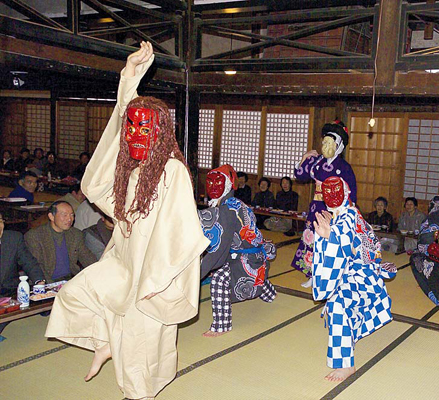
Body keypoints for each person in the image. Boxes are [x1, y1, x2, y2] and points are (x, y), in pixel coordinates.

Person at [45, 42, 208, 400]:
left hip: (153, 276)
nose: (133, 134)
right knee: (76, 294)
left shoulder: (172, 172)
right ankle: (104, 342)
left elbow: (183, 232)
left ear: (161, 134)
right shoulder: (130, 172)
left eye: (142, 128)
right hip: (122, 262)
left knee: (139, 349)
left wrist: (158, 278)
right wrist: (128, 81)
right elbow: (94, 184)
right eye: (129, 128)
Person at [312, 176, 396, 382]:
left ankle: (346, 365)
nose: (331, 195)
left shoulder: (349, 216)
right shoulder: (344, 214)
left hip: (363, 275)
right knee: (339, 306)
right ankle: (348, 342)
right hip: (352, 271)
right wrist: (329, 234)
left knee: (338, 305)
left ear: (345, 194)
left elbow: (349, 245)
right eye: (328, 191)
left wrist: (329, 236)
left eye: (335, 191)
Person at [199, 164, 277, 337]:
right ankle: (270, 293)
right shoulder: (234, 204)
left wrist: (199, 272)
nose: (213, 186)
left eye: (218, 181)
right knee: (253, 275)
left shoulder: (226, 209)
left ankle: (222, 325)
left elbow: (218, 248)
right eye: (209, 182)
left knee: (219, 278)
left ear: (228, 184)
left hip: (246, 261)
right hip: (255, 257)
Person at [293, 120, 357, 288]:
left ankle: (331, 276)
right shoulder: (317, 161)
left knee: (330, 242)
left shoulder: (344, 167)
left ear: (339, 146)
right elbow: (301, 175)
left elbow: (352, 191)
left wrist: (348, 211)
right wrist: (305, 158)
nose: (326, 145)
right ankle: (312, 274)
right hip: (316, 207)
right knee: (312, 238)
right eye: (325, 142)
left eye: (330, 142)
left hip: (334, 210)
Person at [24, 200, 96, 283]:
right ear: (51, 216)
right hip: (46, 282)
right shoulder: (35, 236)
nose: (69, 219)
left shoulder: (75, 234)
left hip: (70, 280)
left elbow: (87, 257)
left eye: (72, 215)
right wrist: (52, 287)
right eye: (64, 215)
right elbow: (37, 266)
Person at [0, 212, 45, 335]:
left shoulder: (13, 239)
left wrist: (39, 282)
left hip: (9, 292)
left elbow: (29, 262)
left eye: (0, 221)